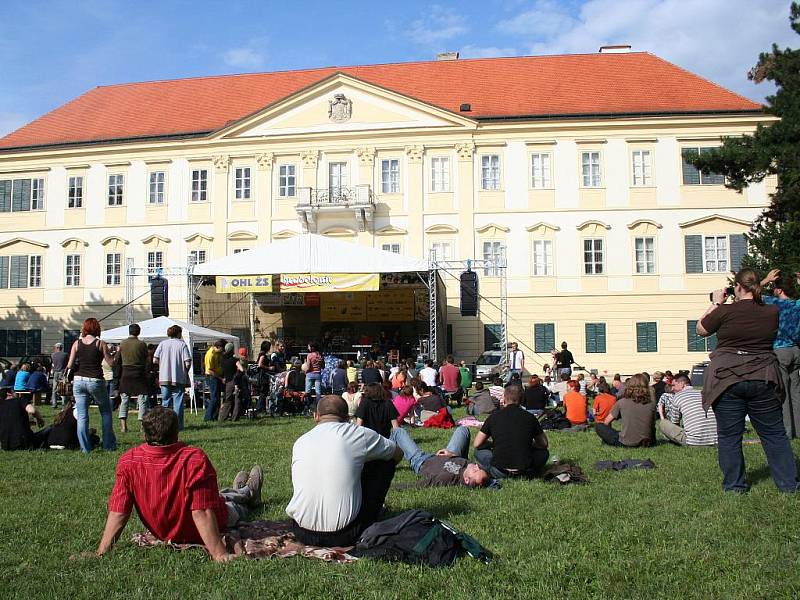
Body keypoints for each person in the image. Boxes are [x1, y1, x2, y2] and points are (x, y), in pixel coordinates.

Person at [87, 407, 263, 562]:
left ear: (143, 433)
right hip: (206, 524)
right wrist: (219, 554)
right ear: (176, 431)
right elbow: (201, 511)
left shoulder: (129, 461)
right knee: (233, 506)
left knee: (219, 495)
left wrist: (102, 551)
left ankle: (241, 490)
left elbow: (119, 511)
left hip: (163, 532)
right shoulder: (193, 459)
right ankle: (248, 492)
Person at [698, 269, 798, 492]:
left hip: (727, 378)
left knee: (729, 436)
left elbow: (701, 329)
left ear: (737, 287)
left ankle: (735, 486)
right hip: (763, 375)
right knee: (774, 434)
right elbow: (759, 296)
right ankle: (789, 484)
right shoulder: (772, 311)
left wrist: (715, 302)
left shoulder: (724, 311)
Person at [286, 395, 403, 547]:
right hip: (345, 534)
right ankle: (372, 512)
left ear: (316, 416)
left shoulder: (300, 441)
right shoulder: (359, 434)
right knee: (384, 462)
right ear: (347, 418)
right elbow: (397, 453)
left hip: (302, 531)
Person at [473, 384, 549, 479]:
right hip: (525, 470)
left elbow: (477, 444)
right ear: (522, 400)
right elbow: (544, 444)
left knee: (478, 451)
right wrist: (528, 444)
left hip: (499, 470)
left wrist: (492, 444)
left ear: (504, 399)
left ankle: (491, 470)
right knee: (543, 453)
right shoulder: (530, 417)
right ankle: (532, 472)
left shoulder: (493, 417)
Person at [66, 318, 117, 453]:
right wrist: (117, 354)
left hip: (78, 380)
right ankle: (108, 445)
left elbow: (70, 365)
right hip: (95, 380)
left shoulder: (76, 344)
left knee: (82, 416)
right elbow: (111, 363)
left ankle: (85, 448)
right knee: (105, 412)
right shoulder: (100, 344)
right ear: (97, 329)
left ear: (85, 328)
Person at [761, 270, 800, 438]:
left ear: (778, 289)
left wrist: (765, 280)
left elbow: (749, 293)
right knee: (796, 392)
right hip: (797, 350)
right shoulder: (797, 305)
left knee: (782, 392)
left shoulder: (773, 303)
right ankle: (799, 430)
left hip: (780, 349)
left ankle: (787, 431)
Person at [390, 426, 490, 488]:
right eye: (479, 468)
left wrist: (387, 486)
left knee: (398, 431)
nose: (476, 466)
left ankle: (382, 463)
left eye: (476, 471)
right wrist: (452, 454)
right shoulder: (468, 466)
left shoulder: (446, 478)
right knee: (462, 430)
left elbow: (418, 485)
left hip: (421, 460)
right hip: (450, 455)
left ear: (466, 480)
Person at [595, 374, 656, 447]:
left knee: (599, 426)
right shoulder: (651, 404)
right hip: (647, 442)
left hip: (626, 442)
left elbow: (607, 422)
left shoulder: (622, 402)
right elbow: (652, 425)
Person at [658, 374, 717, 446]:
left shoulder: (677, 396)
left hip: (693, 441)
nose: (672, 388)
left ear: (682, 384)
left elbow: (675, 423)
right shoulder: (703, 393)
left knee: (663, 423)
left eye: (674, 385)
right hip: (715, 439)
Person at [153, 325, 192, 429]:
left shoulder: (162, 344)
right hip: (178, 377)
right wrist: (185, 371)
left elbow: (155, 360)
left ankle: (165, 425)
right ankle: (178, 426)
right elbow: (187, 362)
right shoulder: (182, 345)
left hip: (164, 377)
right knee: (178, 403)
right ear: (178, 333)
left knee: (165, 402)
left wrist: (164, 364)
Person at [118, 324, 150, 433]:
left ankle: (123, 426)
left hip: (126, 373)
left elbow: (117, 359)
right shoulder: (142, 344)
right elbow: (147, 360)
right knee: (142, 400)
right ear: (139, 332)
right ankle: (142, 426)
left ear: (129, 331)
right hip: (139, 373)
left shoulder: (122, 343)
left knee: (124, 399)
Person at [219, 343, 245, 421]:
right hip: (234, 381)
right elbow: (242, 369)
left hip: (227, 382)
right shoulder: (234, 360)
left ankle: (223, 417)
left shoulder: (222, 359)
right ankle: (235, 418)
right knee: (237, 399)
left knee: (227, 400)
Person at [203, 339, 225, 421]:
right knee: (214, 397)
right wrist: (221, 378)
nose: (223, 351)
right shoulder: (210, 354)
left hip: (218, 376)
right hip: (212, 377)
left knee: (218, 398)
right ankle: (208, 417)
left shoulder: (218, 353)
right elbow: (210, 370)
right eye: (222, 349)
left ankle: (215, 416)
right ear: (218, 347)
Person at [303, 342, 323, 407]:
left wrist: (305, 371)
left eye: (308, 346)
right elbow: (323, 366)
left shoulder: (309, 355)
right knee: (318, 392)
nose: (308, 348)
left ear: (311, 348)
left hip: (310, 374)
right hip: (318, 374)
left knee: (307, 391)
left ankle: (307, 406)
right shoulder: (319, 355)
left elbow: (308, 367)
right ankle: (318, 406)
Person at [50, 342, 68, 407]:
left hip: (55, 372)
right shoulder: (65, 354)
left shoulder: (52, 355)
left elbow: (52, 364)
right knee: (63, 388)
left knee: (54, 388)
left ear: (57, 348)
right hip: (63, 372)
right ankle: (64, 403)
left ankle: (54, 403)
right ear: (61, 348)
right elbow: (67, 364)